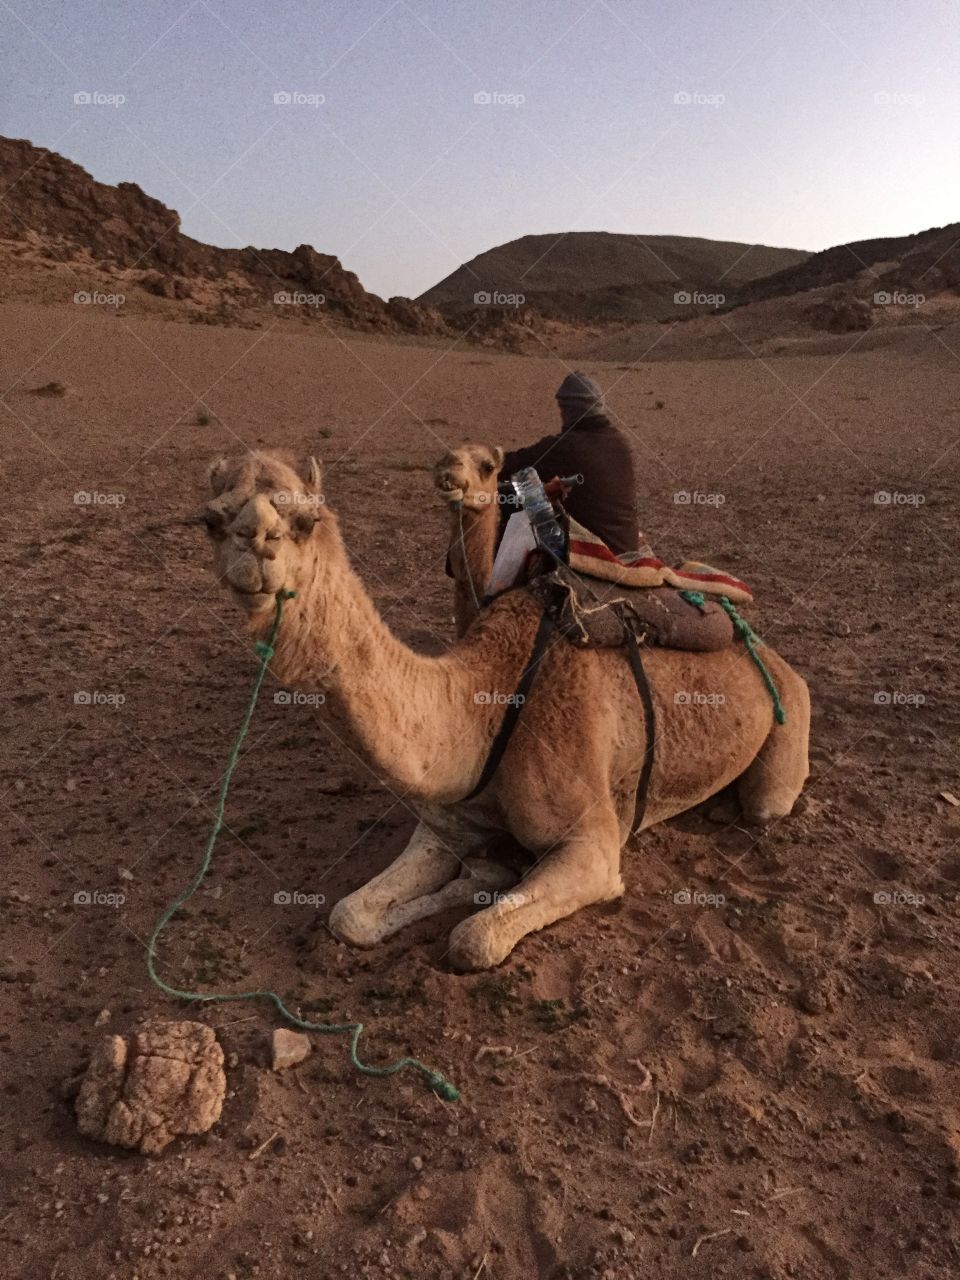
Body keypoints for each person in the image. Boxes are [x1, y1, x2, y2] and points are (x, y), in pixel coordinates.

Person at [499, 372, 639, 555]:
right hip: (627, 544)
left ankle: (501, 577)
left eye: (562, 409)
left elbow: (513, 465)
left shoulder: (566, 446)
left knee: (515, 497)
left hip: (596, 547)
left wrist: (475, 463)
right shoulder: (621, 441)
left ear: (568, 410)